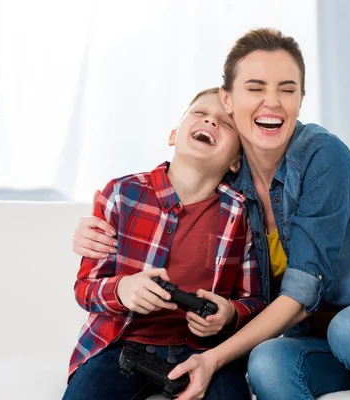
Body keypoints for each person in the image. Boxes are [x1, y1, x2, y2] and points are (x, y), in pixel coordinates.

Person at [73, 29, 350, 400]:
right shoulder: (232, 190)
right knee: (268, 360)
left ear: (300, 101)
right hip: (325, 340)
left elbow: (303, 292)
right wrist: (94, 231)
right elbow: (171, 197)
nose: (272, 101)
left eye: (287, 89)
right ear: (229, 100)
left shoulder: (323, 156)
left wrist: (213, 357)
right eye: (255, 88)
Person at [64, 88, 265, 400]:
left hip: (204, 352)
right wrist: (122, 289)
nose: (211, 121)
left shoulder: (241, 216)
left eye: (226, 123)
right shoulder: (121, 194)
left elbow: (254, 301)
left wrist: (229, 313)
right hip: (120, 346)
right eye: (200, 114)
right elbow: (84, 288)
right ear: (174, 135)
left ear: (236, 161)